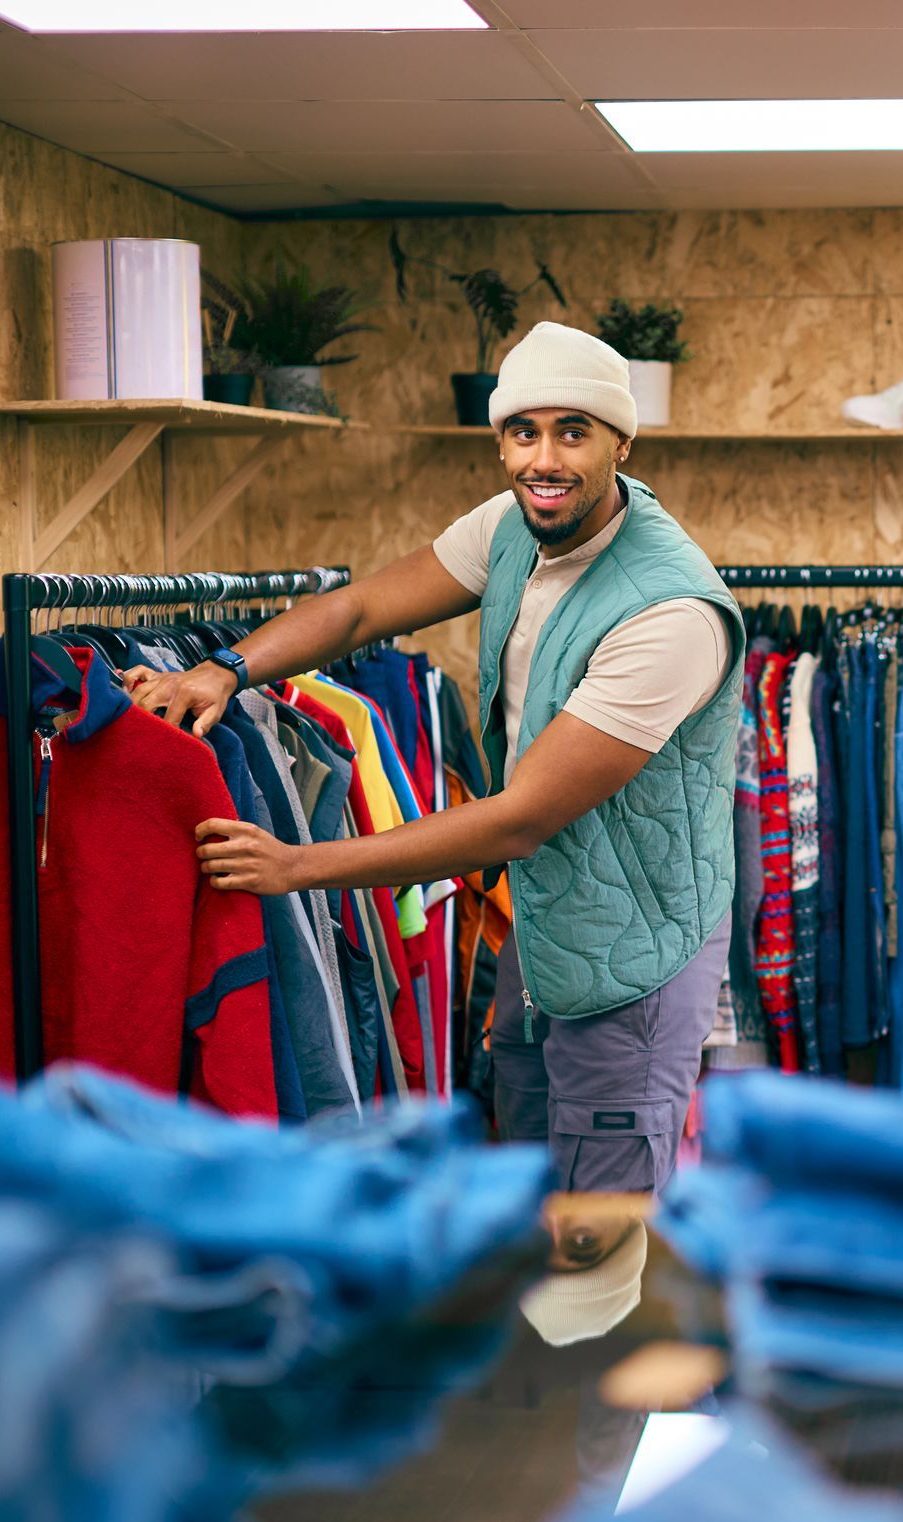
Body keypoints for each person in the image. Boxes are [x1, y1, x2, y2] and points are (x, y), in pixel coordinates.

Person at [125, 322, 744, 1193]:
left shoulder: (670, 617)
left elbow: (521, 819)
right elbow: (359, 612)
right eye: (523, 432)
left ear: (622, 443)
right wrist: (223, 670)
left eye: (574, 431)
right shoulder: (512, 528)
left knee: (604, 1231)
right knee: (524, 1179)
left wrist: (298, 865)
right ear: (499, 440)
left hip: (637, 952)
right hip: (552, 919)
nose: (545, 458)